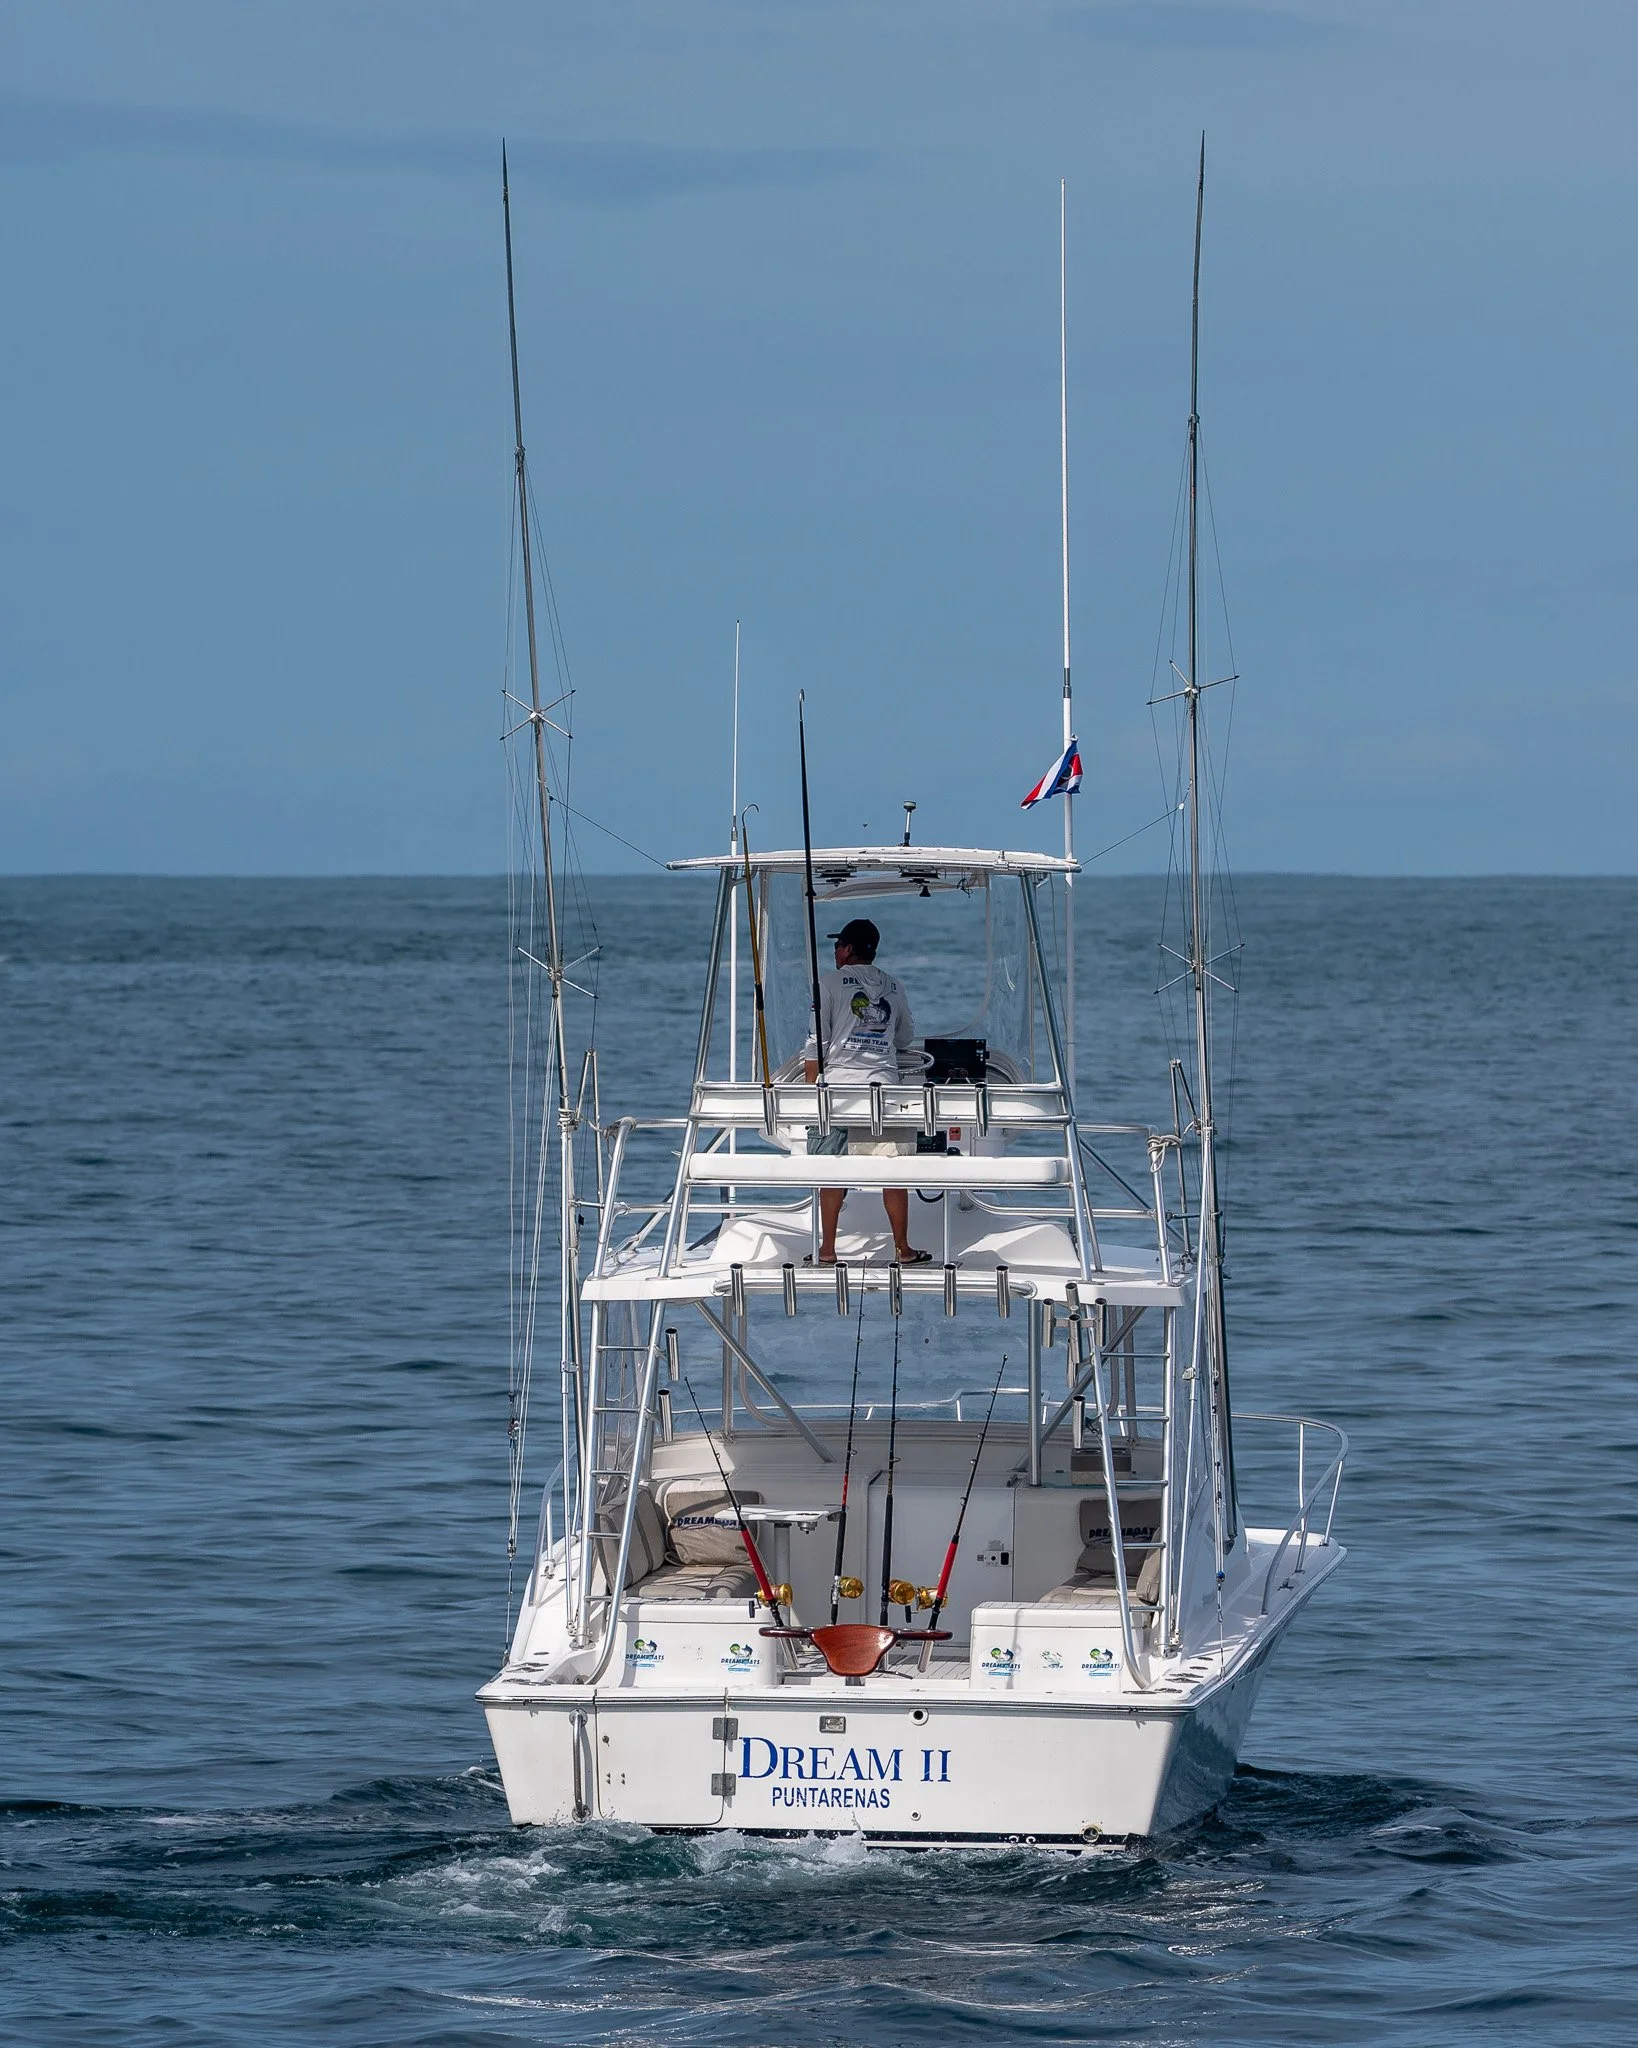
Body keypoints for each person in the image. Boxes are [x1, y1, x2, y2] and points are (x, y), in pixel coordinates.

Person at [802, 917, 929, 1266]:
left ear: (847, 949)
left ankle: (827, 1250)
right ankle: (903, 1248)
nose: (834, 952)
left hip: (838, 1092)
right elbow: (903, 1038)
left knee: (830, 1171)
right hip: (882, 1090)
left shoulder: (826, 984)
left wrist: (811, 1091)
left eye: (836, 946)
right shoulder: (893, 986)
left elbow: (817, 1042)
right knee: (893, 1172)